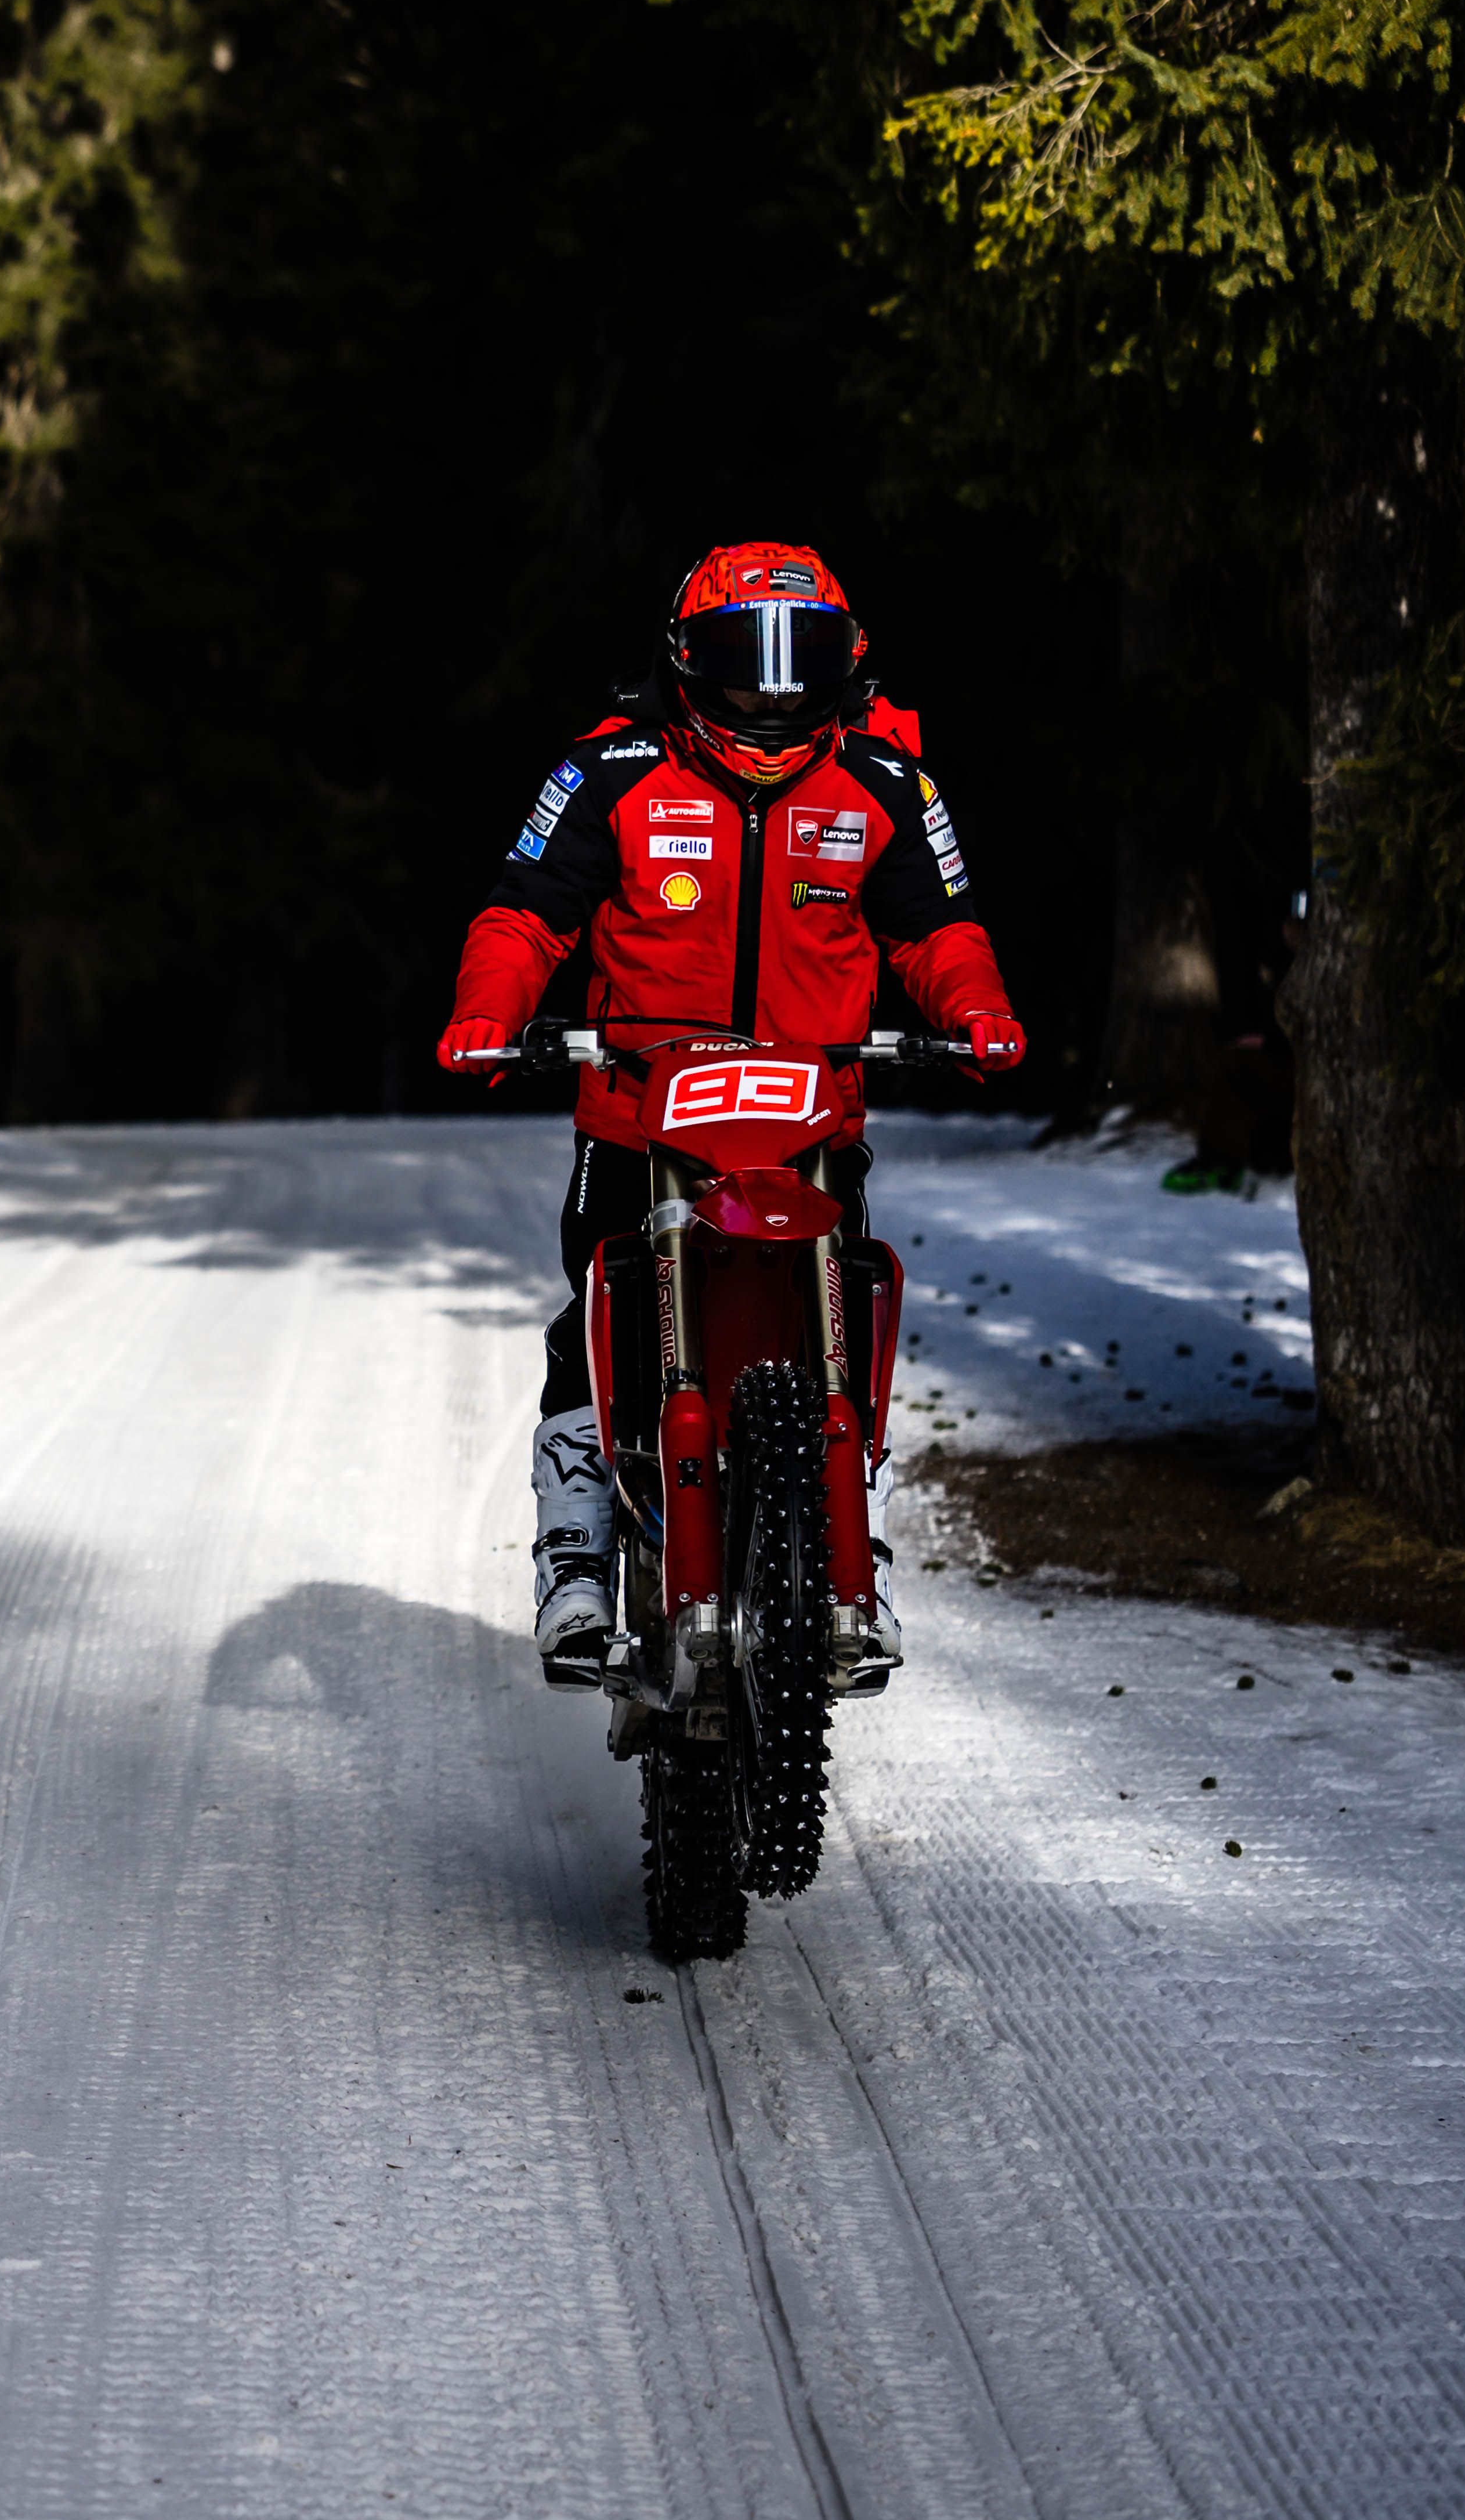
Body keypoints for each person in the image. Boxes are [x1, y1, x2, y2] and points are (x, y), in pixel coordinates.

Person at [434, 543, 1025, 1684]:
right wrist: (486, 1012)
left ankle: (862, 1556)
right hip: (637, 1118)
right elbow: (523, 917)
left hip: (810, 1121)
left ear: (844, 663)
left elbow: (939, 929)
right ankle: (575, 1559)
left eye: (797, 663)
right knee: (593, 1325)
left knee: (842, 1323)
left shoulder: (887, 783)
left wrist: (978, 1008)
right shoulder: (611, 772)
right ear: (683, 662)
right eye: (740, 662)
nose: (769, 692)